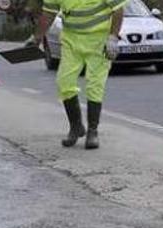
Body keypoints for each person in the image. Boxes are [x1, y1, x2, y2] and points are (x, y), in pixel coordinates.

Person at [34, 0, 125, 149]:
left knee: (95, 85)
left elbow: (118, 10)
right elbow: (49, 13)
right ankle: (76, 127)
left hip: (98, 41)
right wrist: (36, 37)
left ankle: (92, 132)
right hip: (72, 41)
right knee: (64, 81)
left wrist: (113, 37)